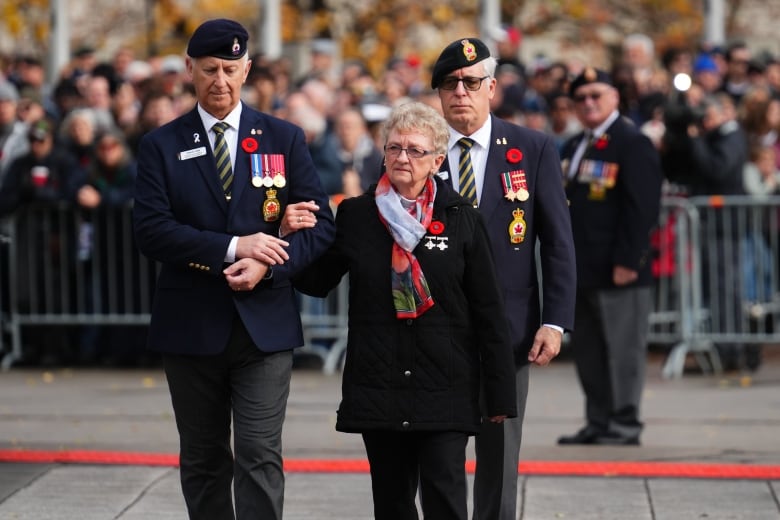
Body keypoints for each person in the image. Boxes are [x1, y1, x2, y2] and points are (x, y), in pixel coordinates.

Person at [132, 19, 335, 519]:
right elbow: (151, 230)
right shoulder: (161, 145)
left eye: (229, 69)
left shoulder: (284, 138)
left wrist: (267, 267)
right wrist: (234, 245)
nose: (219, 81)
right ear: (189, 71)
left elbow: (320, 227)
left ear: (246, 70)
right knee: (203, 460)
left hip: (263, 324)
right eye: (208, 70)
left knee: (260, 455)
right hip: (191, 325)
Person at [292, 101, 517, 520]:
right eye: (393, 148)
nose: (401, 158)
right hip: (380, 385)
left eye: (414, 150)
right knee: (392, 505)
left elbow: (490, 311)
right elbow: (315, 281)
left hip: (445, 384)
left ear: (437, 159)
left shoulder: (462, 218)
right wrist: (290, 235)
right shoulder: (358, 215)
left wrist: (500, 393)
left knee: (445, 501)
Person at [431, 38, 577, 520]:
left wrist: (554, 322)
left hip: (508, 329)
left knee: (499, 452)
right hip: (435, 327)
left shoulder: (530, 148)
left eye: (472, 83)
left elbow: (556, 242)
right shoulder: (419, 146)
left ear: (491, 88)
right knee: (438, 452)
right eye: (450, 83)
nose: (461, 92)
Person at [558, 67, 662, 445]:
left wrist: (627, 261)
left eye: (596, 95)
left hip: (619, 269)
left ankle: (624, 423)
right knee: (589, 352)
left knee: (622, 351)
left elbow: (643, 208)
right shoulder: (574, 145)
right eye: (580, 97)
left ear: (615, 97)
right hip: (583, 268)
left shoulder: (631, 142)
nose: (588, 103)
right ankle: (598, 420)